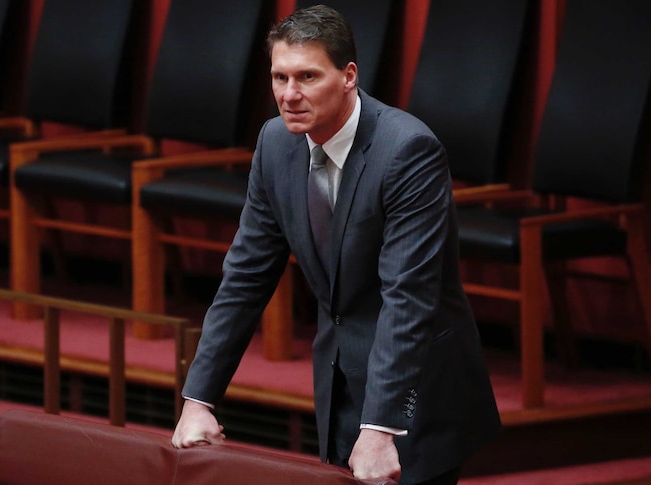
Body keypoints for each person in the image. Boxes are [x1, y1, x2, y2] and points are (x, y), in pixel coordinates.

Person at [172, 5, 501, 484]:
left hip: (415, 390)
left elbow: (407, 296)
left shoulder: (407, 151)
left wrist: (382, 428)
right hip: (338, 380)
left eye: (307, 76)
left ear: (348, 76)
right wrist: (198, 400)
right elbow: (245, 277)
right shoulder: (275, 144)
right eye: (279, 77)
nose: (289, 95)